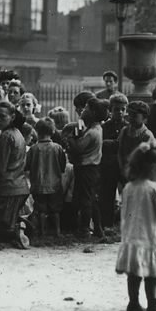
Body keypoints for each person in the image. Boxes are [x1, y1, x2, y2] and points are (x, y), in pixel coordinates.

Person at [115, 143, 156, 311]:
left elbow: (124, 211)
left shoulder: (128, 187)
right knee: (152, 274)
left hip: (132, 238)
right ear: (153, 168)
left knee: (133, 273)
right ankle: (152, 305)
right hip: (150, 238)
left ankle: (133, 302)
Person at [0, 100, 31, 249]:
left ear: (12, 116)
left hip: (6, 190)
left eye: (2, 116)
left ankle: (15, 230)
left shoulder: (5, 136)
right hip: (20, 188)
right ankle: (18, 225)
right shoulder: (17, 134)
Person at [65, 97, 109, 238]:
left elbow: (78, 148)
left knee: (85, 200)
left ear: (94, 112)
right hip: (92, 168)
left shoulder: (92, 133)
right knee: (91, 199)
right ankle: (98, 228)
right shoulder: (95, 128)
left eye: (87, 108)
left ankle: (84, 229)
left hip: (86, 169)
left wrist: (70, 139)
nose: (84, 110)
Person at [25, 118, 67, 237]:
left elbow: (27, 166)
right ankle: (58, 231)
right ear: (53, 131)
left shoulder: (33, 149)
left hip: (38, 184)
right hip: (54, 183)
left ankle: (43, 232)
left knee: (41, 210)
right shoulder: (57, 148)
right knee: (55, 210)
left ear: (36, 131)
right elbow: (63, 165)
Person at [99, 92, 128, 229]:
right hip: (109, 166)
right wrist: (116, 143)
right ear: (110, 110)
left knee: (128, 195)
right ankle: (107, 224)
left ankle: (126, 222)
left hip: (124, 166)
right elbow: (101, 144)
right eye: (117, 109)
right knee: (107, 195)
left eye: (123, 109)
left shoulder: (128, 127)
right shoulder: (104, 127)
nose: (120, 112)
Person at [117, 101, 156, 187]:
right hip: (124, 171)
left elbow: (147, 160)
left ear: (144, 119)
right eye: (130, 114)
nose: (131, 118)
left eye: (134, 116)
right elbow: (120, 151)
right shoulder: (125, 131)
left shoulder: (146, 135)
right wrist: (122, 168)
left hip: (139, 174)